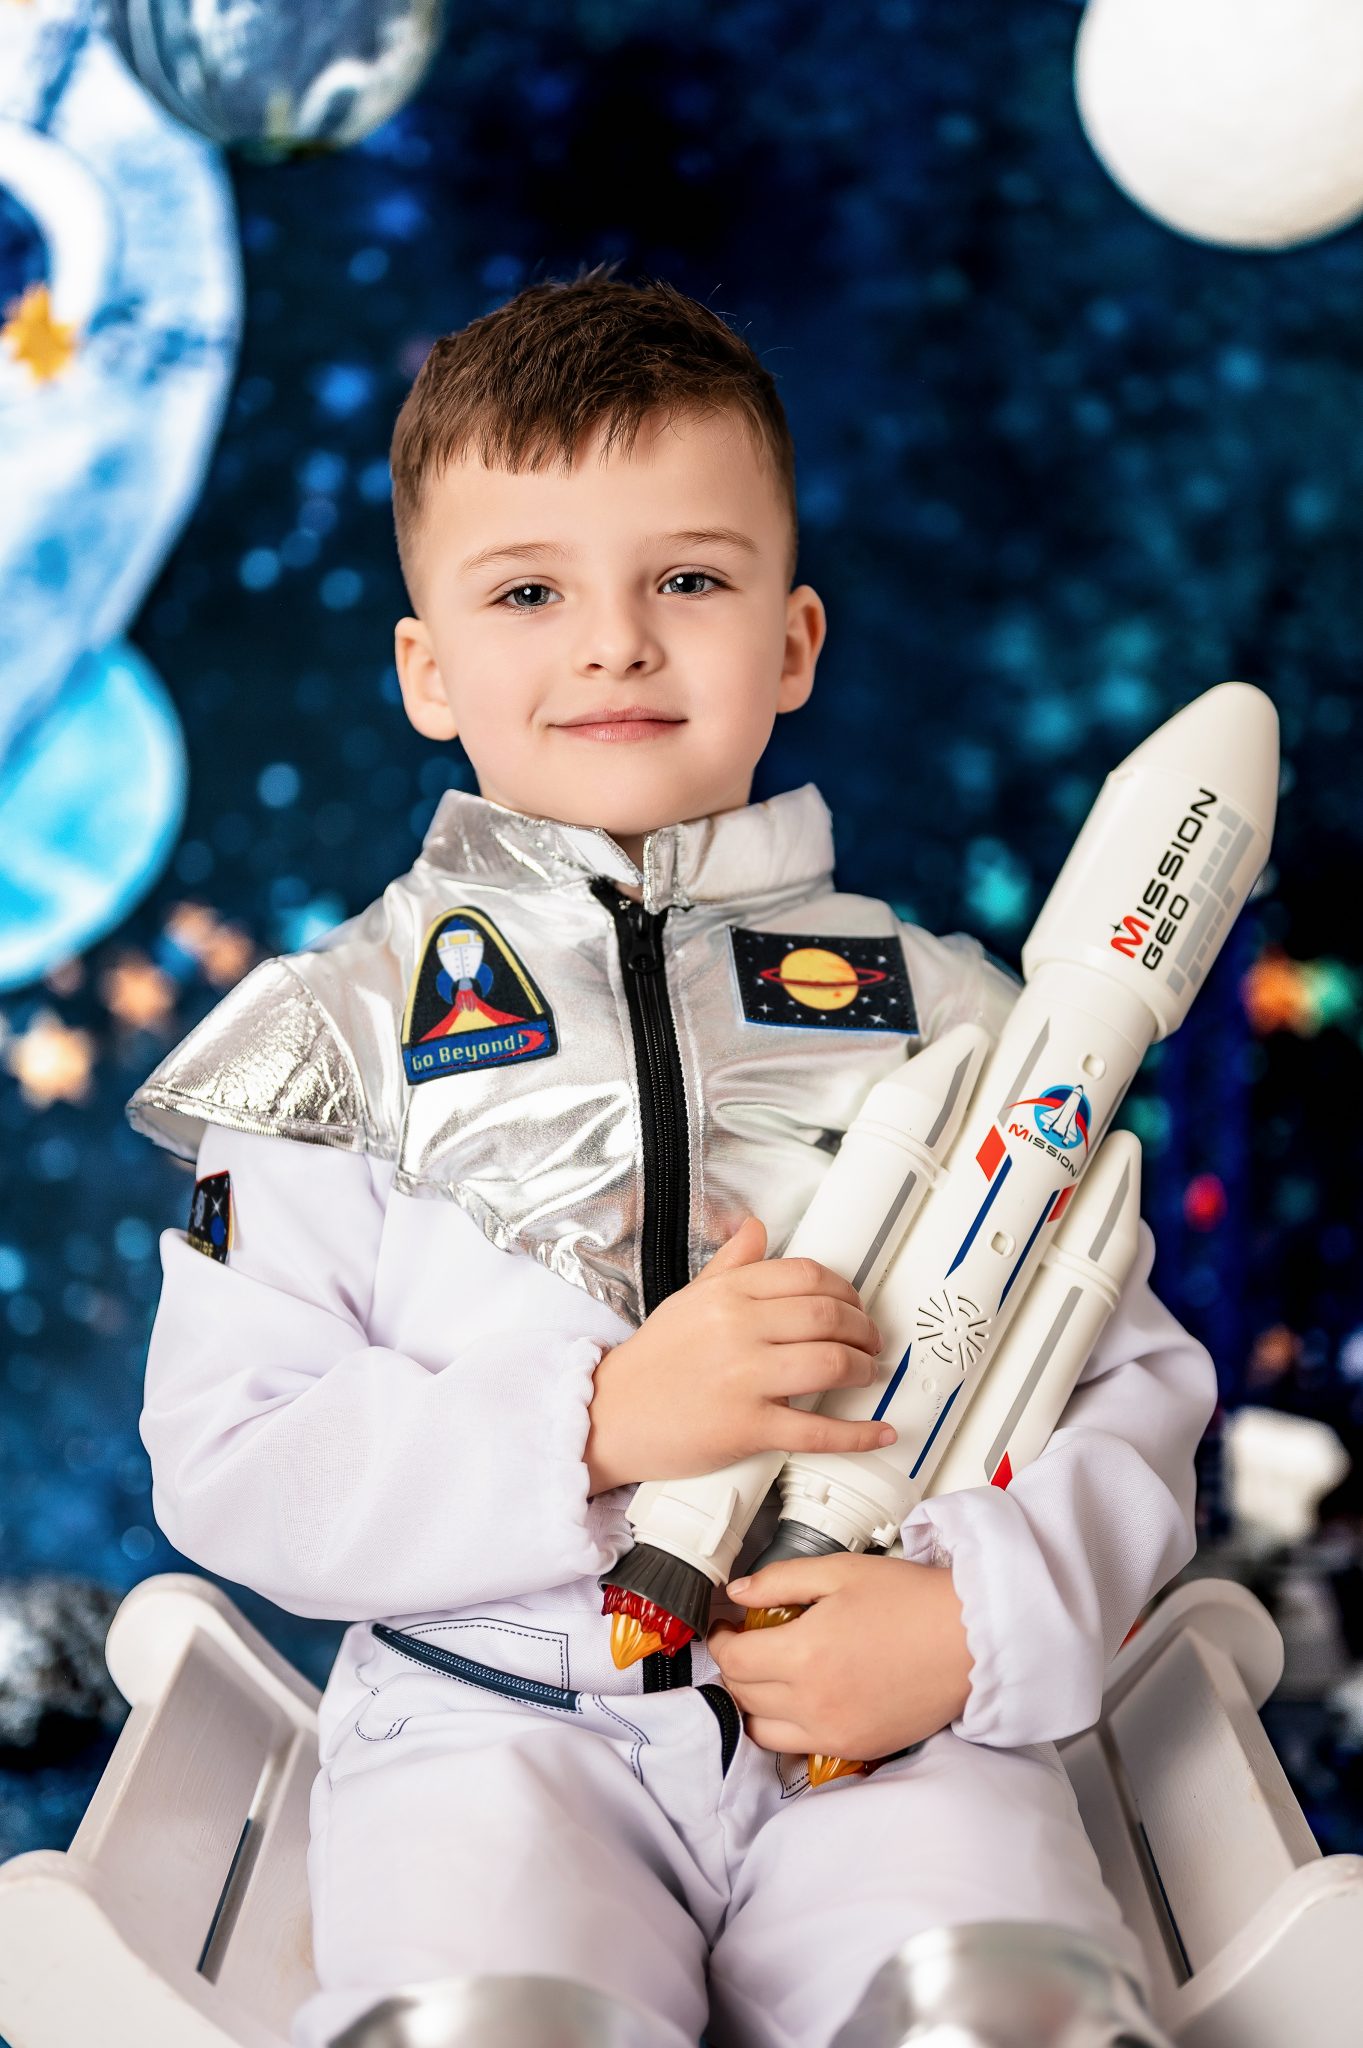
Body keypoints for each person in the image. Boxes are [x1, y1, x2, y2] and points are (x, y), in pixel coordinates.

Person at [127, 264, 1214, 2048]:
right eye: (530, 590)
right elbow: (238, 1460)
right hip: (492, 1735)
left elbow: (1130, 1389)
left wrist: (976, 1623)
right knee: (491, 2025)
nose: (615, 641)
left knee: (1007, 2009)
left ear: (791, 642)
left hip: (892, 1725)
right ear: (427, 667)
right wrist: (606, 1422)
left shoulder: (963, 1019)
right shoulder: (329, 1034)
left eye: (688, 581)